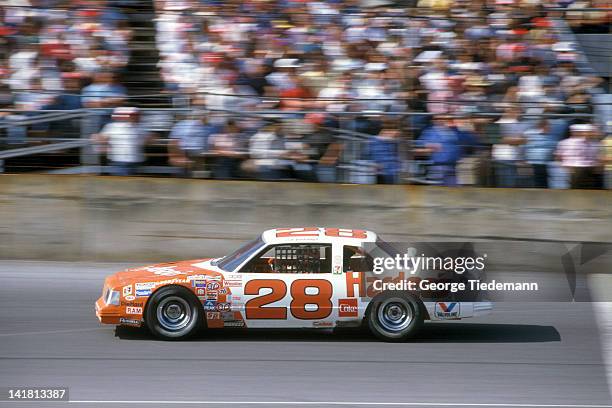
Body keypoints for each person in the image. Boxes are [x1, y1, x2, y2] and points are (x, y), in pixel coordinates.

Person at [415, 115, 476, 186]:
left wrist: (464, 127)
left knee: (455, 190)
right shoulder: (430, 132)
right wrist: (429, 145)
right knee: (436, 190)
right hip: (438, 166)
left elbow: (470, 141)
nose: (443, 120)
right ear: (434, 121)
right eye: (439, 119)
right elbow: (419, 145)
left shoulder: (454, 130)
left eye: (446, 118)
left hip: (454, 166)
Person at [93, 107, 150, 176]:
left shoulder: (141, 127)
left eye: (136, 115)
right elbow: (101, 139)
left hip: (135, 161)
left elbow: (147, 140)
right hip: (119, 161)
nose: (136, 117)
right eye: (134, 115)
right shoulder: (112, 126)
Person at [168, 111, 220, 177]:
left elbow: (213, 145)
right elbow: (174, 143)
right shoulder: (182, 125)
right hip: (185, 155)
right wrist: (178, 157)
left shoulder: (210, 127)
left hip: (200, 157)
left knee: (199, 177)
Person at [555, 123, 601, 189]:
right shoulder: (564, 143)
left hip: (589, 170)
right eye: (587, 132)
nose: (589, 134)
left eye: (590, 132)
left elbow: (596, 157)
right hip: (575, 170)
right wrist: (565, 168)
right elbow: (558, 157)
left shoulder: (594, 143)